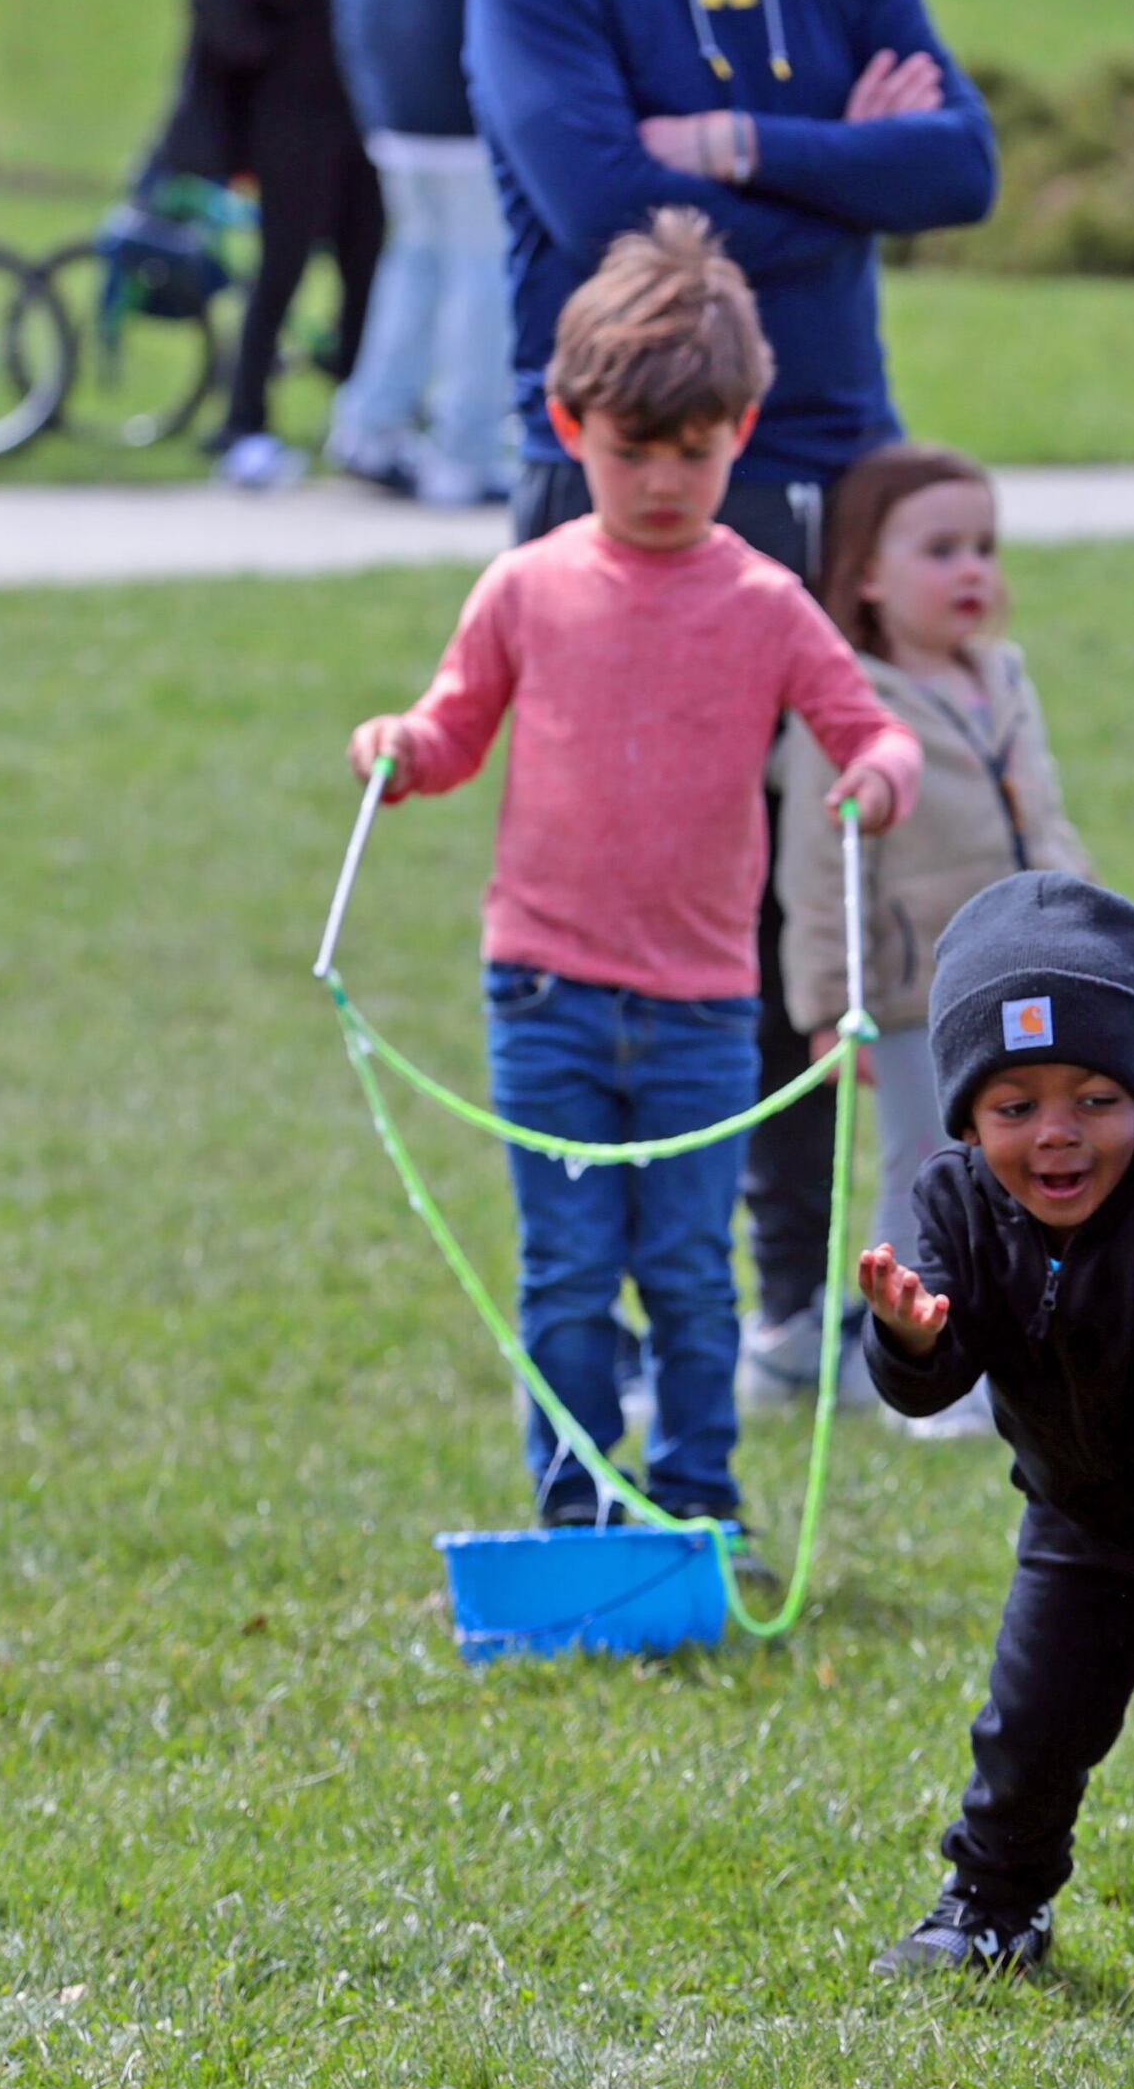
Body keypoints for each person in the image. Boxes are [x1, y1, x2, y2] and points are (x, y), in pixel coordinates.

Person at [468, 0, 999, 1398]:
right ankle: (661, 1300)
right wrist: (838, 161)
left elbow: (959, 171)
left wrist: (748, 145)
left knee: (829, 905)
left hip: (834, 466)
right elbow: (611, 207)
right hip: (627, 495)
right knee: (659, 900)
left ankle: (793, 1310)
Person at [348, 212, 916, 1548]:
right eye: (631, 450)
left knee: (684, 1271)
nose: (663, 479)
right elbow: (453, 727)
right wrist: (400, 750)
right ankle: (576, 1505)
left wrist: (880, 770)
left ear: (744, 427)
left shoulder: (767, 598)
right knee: (565, 1267)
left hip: (705, 1002)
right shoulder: (526, 587)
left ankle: (699, 1499)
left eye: (694, 450)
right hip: (541, 985)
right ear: (564, 423)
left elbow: (866, 722)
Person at [852, 874, 1134, 1978]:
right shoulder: (955, 1204)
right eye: (1015, 1107)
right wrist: (914, 1339)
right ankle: (993, 1906)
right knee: (1026, 1734)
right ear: (968, 1119)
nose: (1057, 1135)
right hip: (1078, 1523)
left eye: (1093, 1097)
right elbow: (928, 1392)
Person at [775, 443, 1089, 1440]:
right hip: (914, 997)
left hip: (1024, 981)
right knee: (926, 1172)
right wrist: (829, 1004)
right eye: (939, 547)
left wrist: (1087, 935)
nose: (971, 570)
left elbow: (1044, 813)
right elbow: (817, 869)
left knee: (1027, 1169)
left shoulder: (1001, 674)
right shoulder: (845, 705)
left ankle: (1017, 1349)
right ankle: (914, 1367)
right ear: (866, 571)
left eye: (983, 546)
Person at [326, 0, 559, 505]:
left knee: (416, 256)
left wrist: (366, 66)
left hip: (387, 86)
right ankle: (464, 450)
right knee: (480, 266)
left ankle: (371, 426)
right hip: (464, 87)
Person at [164, 0, 381, 490]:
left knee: (364, 264)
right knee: (281, 269)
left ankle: (357, 414)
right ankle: (243, 416)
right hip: (294, 125)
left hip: (350, 125)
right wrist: (272, 49)